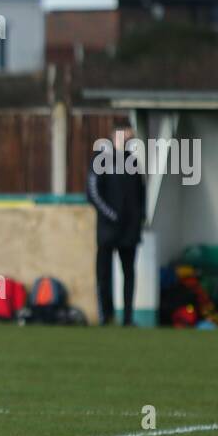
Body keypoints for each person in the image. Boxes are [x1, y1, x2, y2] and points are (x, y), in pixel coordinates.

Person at [86, 126, 146, 326]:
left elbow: (140, 194)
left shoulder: (133, 163)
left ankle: (127, 318)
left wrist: (139, 219)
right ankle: (106, 316)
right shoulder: (101, 160)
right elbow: (93, 193)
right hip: (107, 230)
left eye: (130, 138)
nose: (127, 141)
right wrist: (111, 215)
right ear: (113, 137)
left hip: (129, 231)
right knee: (104, 274)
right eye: (124, 136)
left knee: (129, 273)